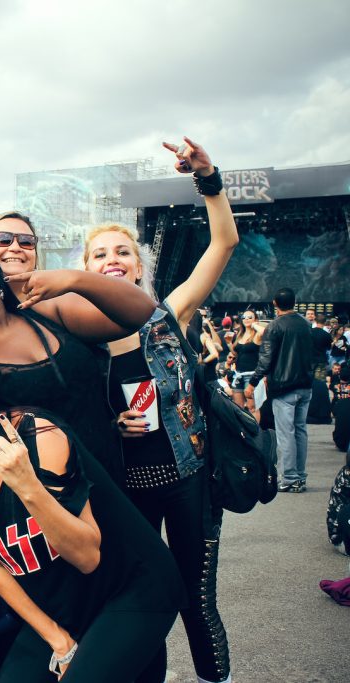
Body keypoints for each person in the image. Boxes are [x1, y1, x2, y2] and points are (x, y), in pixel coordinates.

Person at [0, 324, 184, 682]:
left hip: (131, 588)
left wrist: (28, 487)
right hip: (63, 606)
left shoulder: (39, 434)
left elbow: (87, 557)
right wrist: (58, 640)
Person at [82, 137, 239, 683]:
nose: (112, 260)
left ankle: (215, 678)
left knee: (197, 598)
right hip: (125, 490)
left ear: (138, 266)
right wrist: (110, 424)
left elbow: (224, 242)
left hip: (187, 478)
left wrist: (207, 179)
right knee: (141, 602)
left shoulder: (169, 314)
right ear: (85, 269)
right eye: (100, 254)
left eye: (122, 252)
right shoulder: (79, 340)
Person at [0, 233, 155, 486]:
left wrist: (74, 278)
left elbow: (141, 310)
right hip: (44, 493)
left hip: (109, 477)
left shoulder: (47, 310)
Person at [246, 288, 314, 493]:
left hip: (284, 387)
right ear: (294, 302)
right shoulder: (306, 324)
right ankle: (299, 476)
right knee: (300, 430)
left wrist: (252, 383)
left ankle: (290, 477)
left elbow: (265, 360)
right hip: (305, 385)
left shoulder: (274, 326)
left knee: (286, 433)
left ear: (275, 303)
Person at [230, 310, 267, 418]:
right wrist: (228, 344)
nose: (246, 319)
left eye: (250, 317)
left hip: (251, 375)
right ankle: (242, 429)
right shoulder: (239, 334)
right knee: (238, 407)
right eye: (244, 317)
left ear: (255, 319)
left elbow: (265, 332)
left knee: (252, 407)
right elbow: (236, 354)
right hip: (238, 374)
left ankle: (255, 429)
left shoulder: (257, 335)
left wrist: (254, 325)